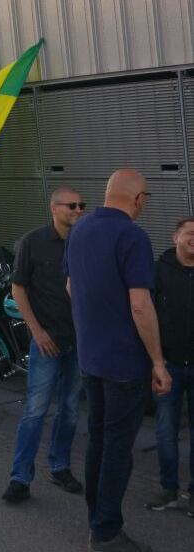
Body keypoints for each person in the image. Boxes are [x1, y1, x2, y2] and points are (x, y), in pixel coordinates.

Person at [65, 169, 171, 552]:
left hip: (91, 357)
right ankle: (106, 532)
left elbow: (71, 286)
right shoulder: (132, 236)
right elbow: (140, 304)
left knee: (98, 440)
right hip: (124, 364)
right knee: (117, 449)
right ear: (138, 199)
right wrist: (158, 362)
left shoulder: (81, 228)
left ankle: (97, 520)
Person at [1, 187, 85, 503]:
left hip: (78, 343)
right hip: (46, 341)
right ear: (54, 208)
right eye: (72, 205)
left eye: (82, 205)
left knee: (71, 410)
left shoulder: (84, 242)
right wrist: (37, 332)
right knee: (35, 411)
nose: (78, 210)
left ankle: (60, 467)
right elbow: (18, 288)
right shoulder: (33, 242)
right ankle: (20, 477)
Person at [145, 217, 194, 518]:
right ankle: (169, 489)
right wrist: (154, 362)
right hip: (168, 365)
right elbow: (145, 313)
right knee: (165, 431)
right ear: (175, 237)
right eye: (190, 233)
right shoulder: (157, 270)